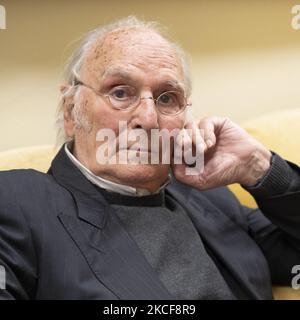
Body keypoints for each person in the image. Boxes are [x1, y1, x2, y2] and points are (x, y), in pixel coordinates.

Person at [0, 16, 299, 300]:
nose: (148, 118)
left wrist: (260, 168)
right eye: (120, 93)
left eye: (167, 97)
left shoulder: (209, 197)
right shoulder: (19, 202)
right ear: (70, 111)